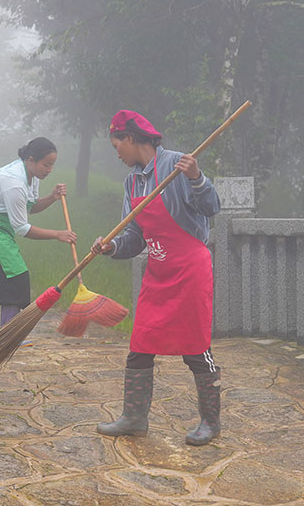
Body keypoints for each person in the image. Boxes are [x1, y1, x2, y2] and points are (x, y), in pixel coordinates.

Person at [91, 110, 222, 446]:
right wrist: (112, 246)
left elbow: (211, 207)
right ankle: (134, 418)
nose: (116, 151)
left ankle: (210, 422)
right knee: (140, 345)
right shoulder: (132, 182)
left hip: (190, 270)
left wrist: (197, 178)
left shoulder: (179, 164)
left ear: (131, 139)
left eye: (117, 144)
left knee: (195, 349)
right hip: (159, 270)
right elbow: (135, 236)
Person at [0, 137, 76, 344]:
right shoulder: (14, 183)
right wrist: (57, 234)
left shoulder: (31, 176)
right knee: (10, 282)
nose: (49, 170)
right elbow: (22, 228)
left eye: (52, 165)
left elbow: (29, 208)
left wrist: (52, 197)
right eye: (46, 164)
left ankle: (0, 339)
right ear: (31, 160)